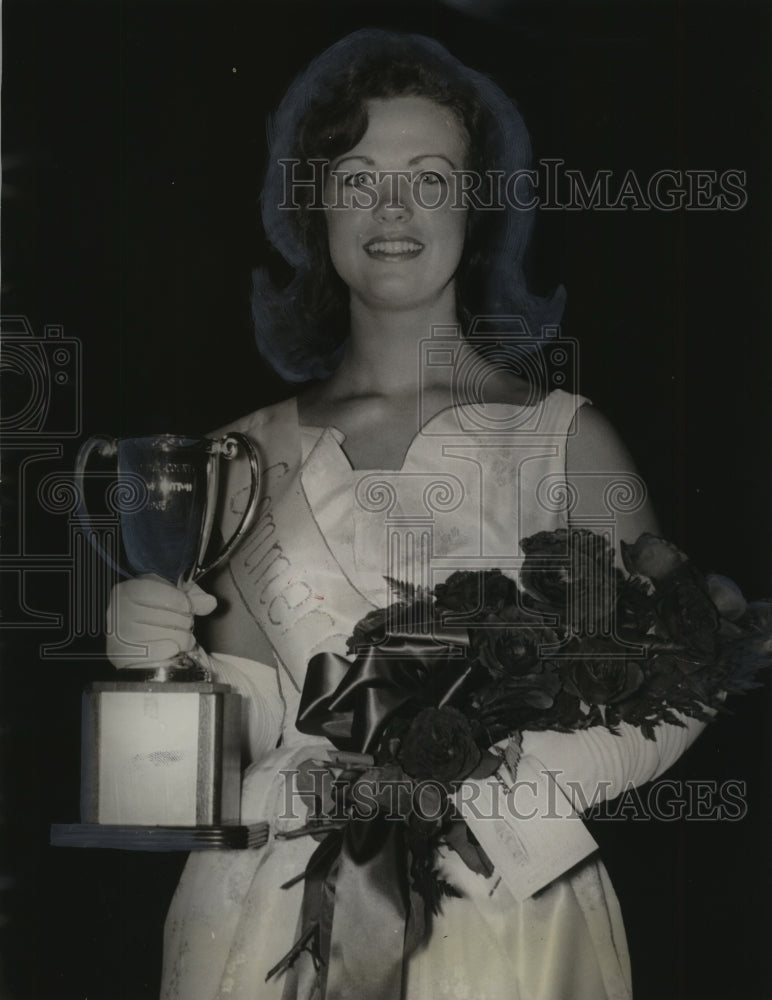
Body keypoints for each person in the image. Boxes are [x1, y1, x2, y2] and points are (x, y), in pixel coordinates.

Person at [107, 30, 707, 1000]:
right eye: (356, 178)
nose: (392, 210)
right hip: (269, 917)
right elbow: (248, 738)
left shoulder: (563, 440)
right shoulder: (236, 456)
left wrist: (493, 804)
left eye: (428, 177)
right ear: (314, 205)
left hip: (502, 916)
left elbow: (672, 682)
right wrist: (163, 664)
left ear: (477, 201)